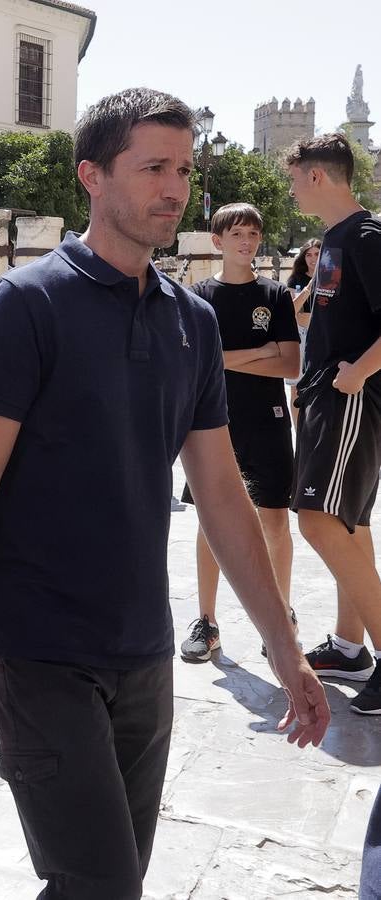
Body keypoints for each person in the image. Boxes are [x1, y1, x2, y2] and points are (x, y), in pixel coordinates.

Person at [0, 87, 330, 900]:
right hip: (40, 652)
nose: (175, 189)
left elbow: (220, 492)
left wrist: (284, 646)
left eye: (184, 170)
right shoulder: (26, 305)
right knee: (101, 884)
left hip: (145, 652)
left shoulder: (191, 321)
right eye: (153, 168)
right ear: (92, 176)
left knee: (116, 880)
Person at [179, 203, 300, 661]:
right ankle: (207, 621)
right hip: (213, 423)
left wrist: (227, 358)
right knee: (210, 521)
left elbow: (290, 364)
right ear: (218, 241)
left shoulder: (275, 295)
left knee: (275, 520)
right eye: (236, 234)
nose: (246, 242)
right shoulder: (199, 297)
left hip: (268, 419)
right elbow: (195, 364)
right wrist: (260, 351)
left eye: (252, 234)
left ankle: (281, 618)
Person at [287, 133, 381, 713]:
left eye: (295, 179)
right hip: (331, 395)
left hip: (352, 399)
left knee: (318, 521)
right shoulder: (336, 240)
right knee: (348, 522)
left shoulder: (366, 237)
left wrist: (357, 373)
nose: (292, 191)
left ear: (317, 176)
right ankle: (350, 648)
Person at [286, 239, 321, 423]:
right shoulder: (296, 279)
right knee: (297, 388)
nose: (313, 258)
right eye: (308, 255)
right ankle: (299, 433)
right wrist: (309, 288)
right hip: (300, 336)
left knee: (320, 385)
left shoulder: (333, 278)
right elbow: (291, 310)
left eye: (317, 254)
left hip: (323, 336)